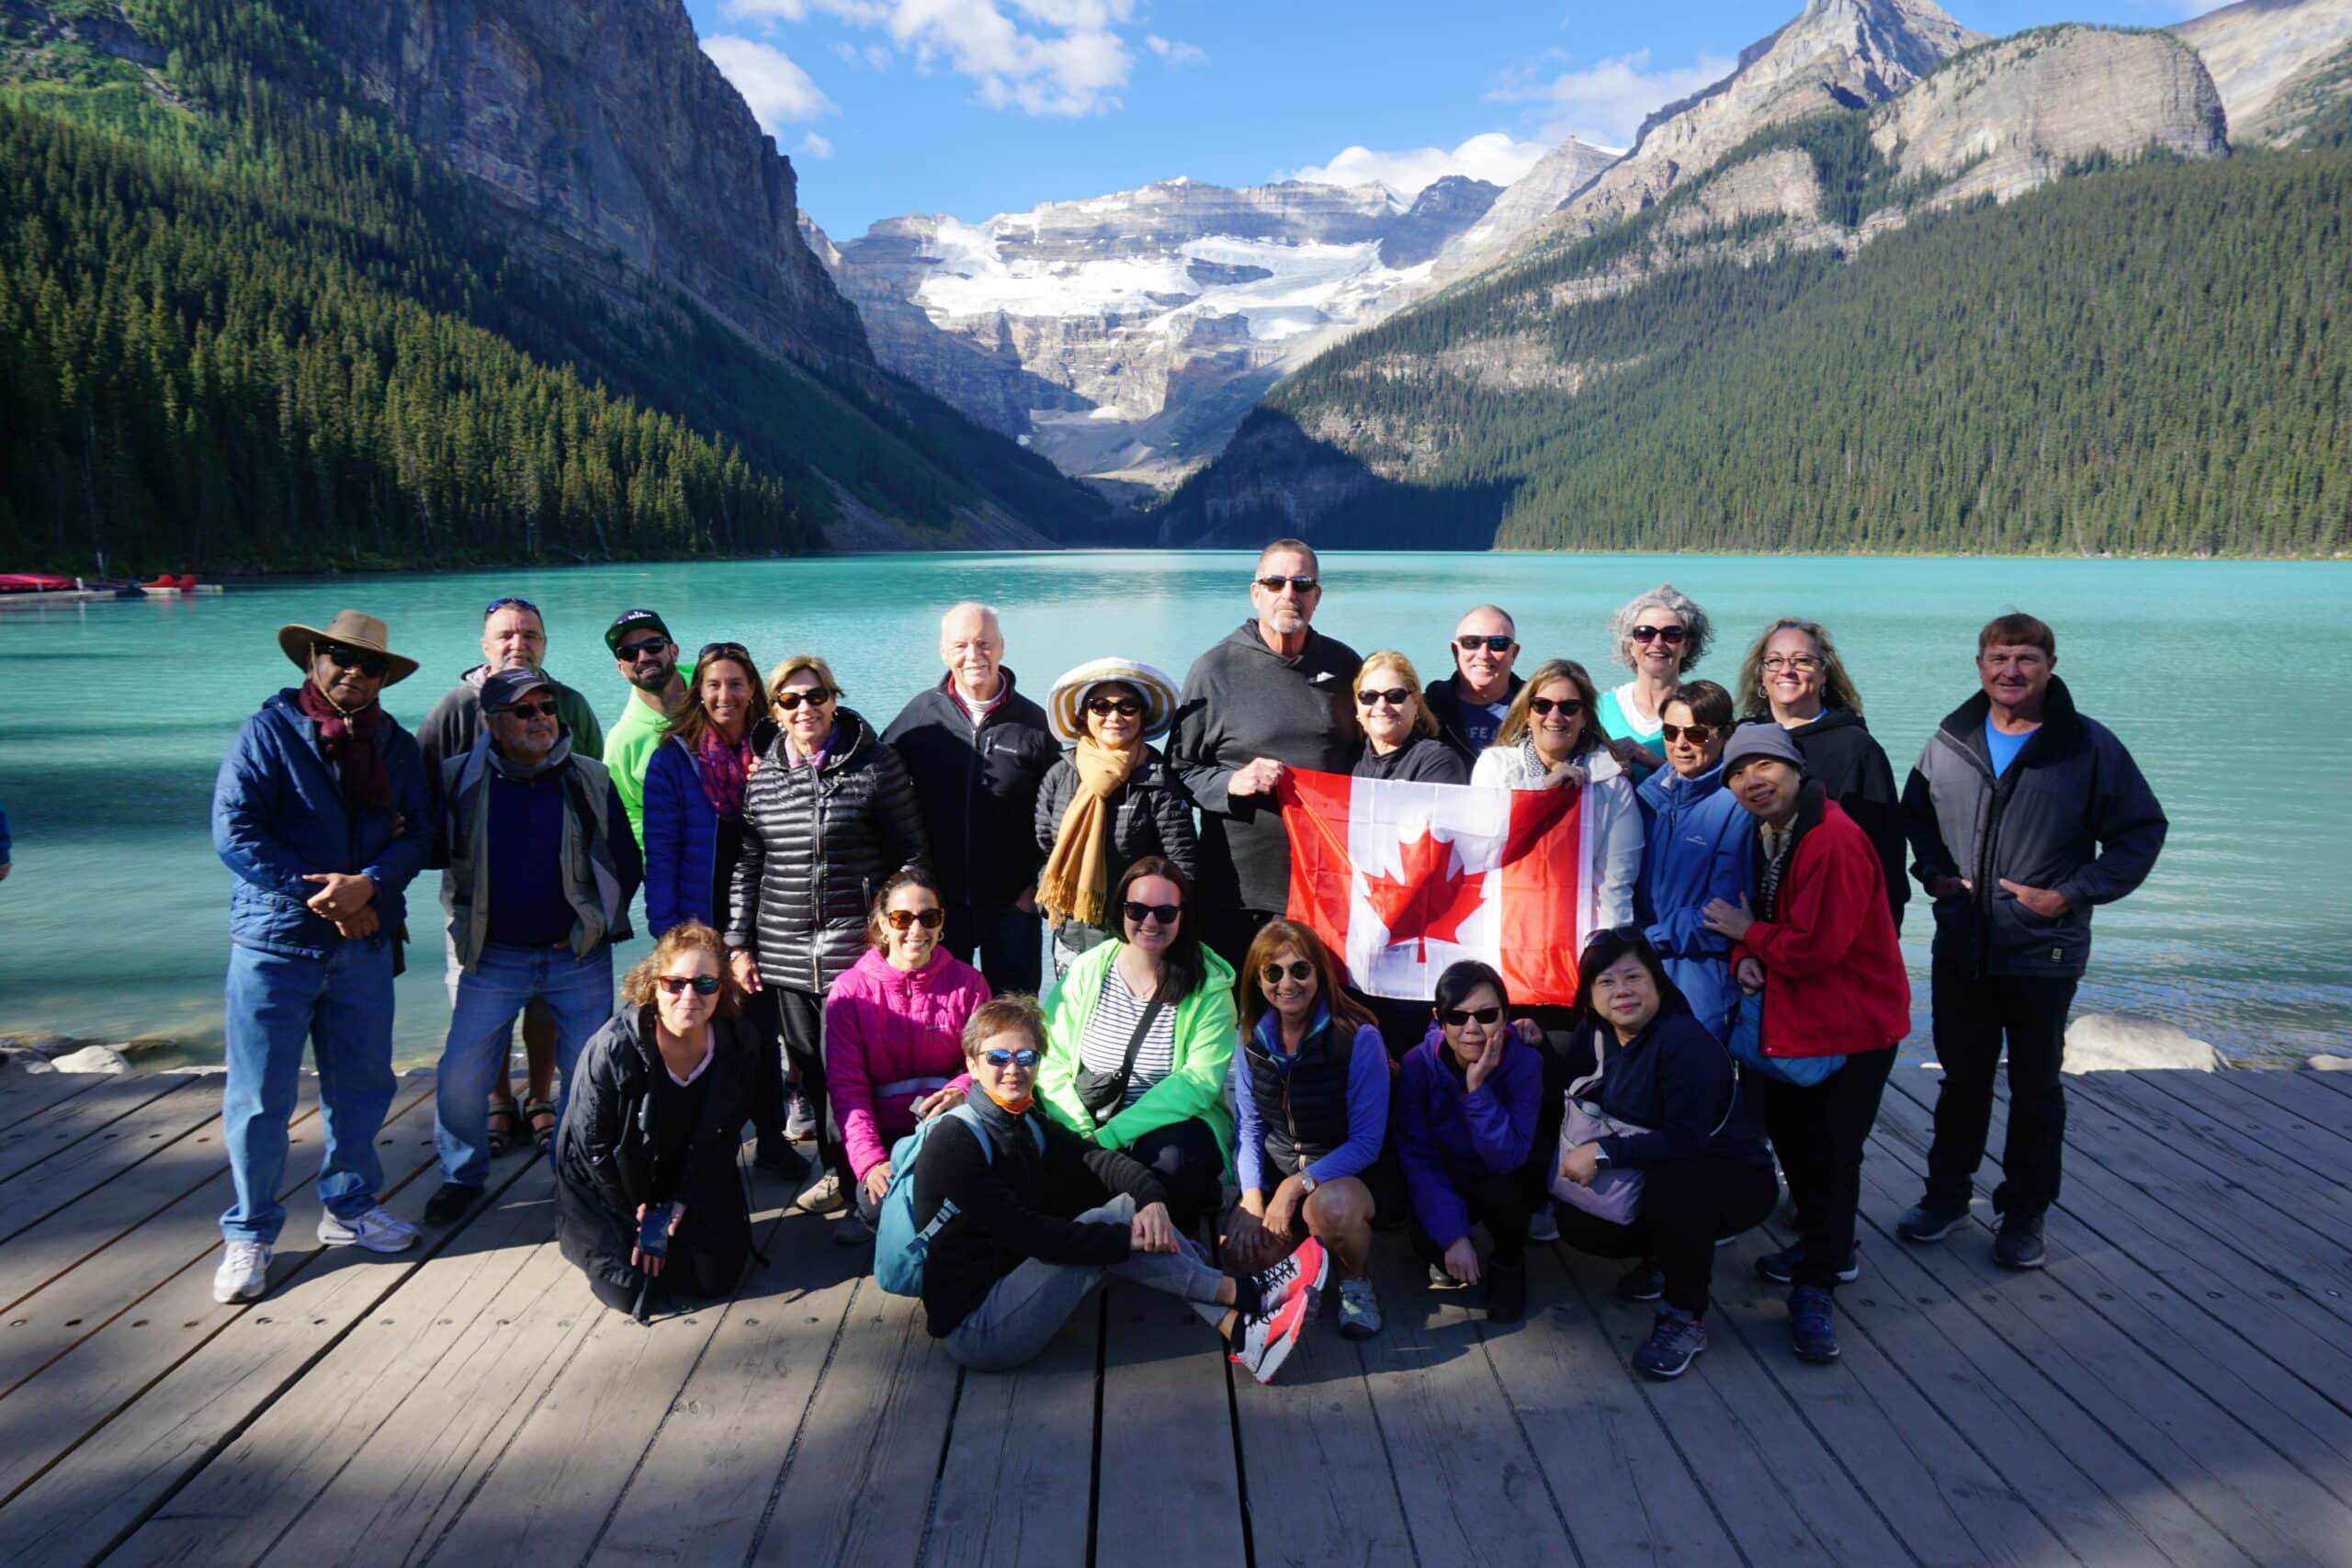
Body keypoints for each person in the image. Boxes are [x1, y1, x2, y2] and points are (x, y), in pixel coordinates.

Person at [1897, 613, 2167, 1269]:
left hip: (2042, 949)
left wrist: (2070, 893)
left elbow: (2141, 831)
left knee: (2037, 1087)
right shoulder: (1950, 740)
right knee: (1961, 1080)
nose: (2010, 670)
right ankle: (1946, 1196)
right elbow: (1917, 813)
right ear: (1980, 665)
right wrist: (1934, 875)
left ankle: (2024, 1213)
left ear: (2049, 664)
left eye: (2025, 657)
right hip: (1962, 942)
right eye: (1998, 657)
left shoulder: (2086, 746)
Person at [913, 997, 1329, 1383]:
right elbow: (1024, 1232)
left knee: (1127, 1206)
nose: (1013, 1069)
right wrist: (1124, 1237)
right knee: (1108, 1223)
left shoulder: (1026, 1121)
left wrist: (1151, 1204)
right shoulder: (955, 1141)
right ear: (972, 1063)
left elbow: (1101, 1160)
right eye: (997, 1058)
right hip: (979, 1327)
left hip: (1017, 1283)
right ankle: (1247, 1294)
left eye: (1026, 1056)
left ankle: (1243, 1331)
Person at [209, 610, 433, 1303]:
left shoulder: (394, 745)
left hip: (363, 940)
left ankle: (350, 1205)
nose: (353, 673)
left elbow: (423, 831)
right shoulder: (267, 733)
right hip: (274, 944)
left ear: (382, 678)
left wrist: (370, 883)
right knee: (259, 1099)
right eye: (340, 658)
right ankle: (249, 1231)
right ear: (313, 658)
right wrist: (323, 894)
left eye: (369, 666)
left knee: (363, 1087)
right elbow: (235, 833)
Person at [1701, 726, 1906, 1365]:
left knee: (1832, 1157)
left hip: (1854, 1025)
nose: (1750, 781)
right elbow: (1754, 920)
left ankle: (1820, 1281)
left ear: (1795, 766)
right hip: (1792, 1024)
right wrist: (1743, 954)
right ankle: (1821, 1245)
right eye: (1737, 773)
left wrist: (1748, 934)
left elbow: (1818, 947)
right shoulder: (1769, 833)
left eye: (1764, 764)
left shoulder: (1833, 839)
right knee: (1797, 1146)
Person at [425, 668, 642, 1225]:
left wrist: (596, 921)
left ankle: (574, 1176)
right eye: (524, 711)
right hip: (492, 957)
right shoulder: (457, 779)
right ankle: (462, 1173)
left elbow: (624, 858)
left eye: (547, 708)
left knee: (589, 1076)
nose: (541, 719)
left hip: (577, 956)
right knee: (460, 1075)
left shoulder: (591, 777)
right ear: (494, 724)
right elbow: (427, 847)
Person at [726, 654, 927, 1217]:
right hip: (786, 951)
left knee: (862, 1073)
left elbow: (911, 854)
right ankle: (840, 1174)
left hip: (856, 952)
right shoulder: (763, 776)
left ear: (835, 698)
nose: (805, 708)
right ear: (776, 711)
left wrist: (899, 930)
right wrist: (739, 945)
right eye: (790, 700)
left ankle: (875, 1178)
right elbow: (749, 865)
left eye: (816, 696)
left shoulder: (876, 764)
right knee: (811, 1074)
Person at [1544, 930, 1777, 1381]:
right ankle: (1661, 1259)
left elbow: (1686, 1141)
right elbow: (1564, 1082)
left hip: (1731, 1176)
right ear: (1589, 998)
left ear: (1658, 981)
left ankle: (1684, 1315)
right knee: (1578, 1223)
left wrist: (1605, 1153)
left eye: (1634, 976)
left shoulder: (1683, 1043)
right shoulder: (1597, 1031)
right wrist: (1529, 1045)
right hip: (1652, 1163)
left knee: (1679, 1183)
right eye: (1606, 982)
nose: (1622, 991)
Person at [419, 595, 605, 1160]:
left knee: (548, 1011)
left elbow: (594, 794)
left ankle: (542, 1098)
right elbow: (425, 793)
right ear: (485, 643)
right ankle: (498, 1102)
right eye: (505, 634)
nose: (517, 642)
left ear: (544, 642)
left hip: (561, 913)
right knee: (479, 1024)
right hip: (477, 905)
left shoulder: (568, 703)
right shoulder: (454, 708)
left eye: (529, 634)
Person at [1168, 539, 1363, 966]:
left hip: (1330, 885)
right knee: (1244, 1019)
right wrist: (1230, 782)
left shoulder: (1346, 666)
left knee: (1322, 1021)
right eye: (1275, 583)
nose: (1288, 594)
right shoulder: (1214, 669)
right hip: (1241, 891)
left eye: (1301, 583)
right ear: (1256, 593)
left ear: (1317, 596)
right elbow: (1178, 770)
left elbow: (1370, 758)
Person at [553, 923, 758, 1317]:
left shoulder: (738, 1041)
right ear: (653, 984)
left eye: (705, 984)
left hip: (690, 1175)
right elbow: (593, 1152)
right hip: (613, 1188)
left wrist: (685, 1200)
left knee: (713, 1280)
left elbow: (725, 1134)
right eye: (674, 983)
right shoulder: (613, 1049)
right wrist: (642, 1215)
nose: (689, 996)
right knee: (632, 1293)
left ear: (723, 988)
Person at [1034, 857, 1237, 1236]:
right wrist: (1081, 1134)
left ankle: (1172, 1252)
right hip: (1087, 1117)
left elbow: (1198, 1083)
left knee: (1171, 1165)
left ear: (1183, 915)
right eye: (1137, 909)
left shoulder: (1209, 988)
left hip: (1167, 1125)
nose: (1149, 922)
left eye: (1164, 912)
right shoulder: (1089, 968)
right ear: (1121, 910)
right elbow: (1052, 1057)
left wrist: (1109, 1138)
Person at [883, 604, 1061, 997]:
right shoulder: (919, 717)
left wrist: (1037, 886)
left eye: (983, 643)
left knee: (1016, 1017)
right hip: (938, 905)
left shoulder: (1036, 724)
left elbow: (1061, 814)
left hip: (1013, 906)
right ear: (944, 653)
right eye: (960, 645)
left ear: (1001, 647)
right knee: (940, 1018)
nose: (972, 655)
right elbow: (873, 781)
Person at [1226, 919, 1392, 1340]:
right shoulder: (1249, 1037)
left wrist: (1293, 1188)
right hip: (1283, 1172)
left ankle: (1355, 1281)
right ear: (1257, 978)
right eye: (1273, 972)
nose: (1287, 983)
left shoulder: (1357, 1038)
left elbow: (1368, 1143)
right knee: (1239, 1252)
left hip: (1348, 1176)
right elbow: (1249, 1127)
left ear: (1319, 974)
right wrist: (1252, 1200)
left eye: (1300, 970)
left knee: (1329, 1209)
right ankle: (1311, 1261)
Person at [827, 870, 990, 1243]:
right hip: (884, 1132)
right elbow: (847, 1087)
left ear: (942, 923)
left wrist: (962, 1089)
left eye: (929, 918)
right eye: (902, 918)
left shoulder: (968, 983)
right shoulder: (849, 990)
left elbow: (984, 1062)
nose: (916, 930)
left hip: (949, 1123)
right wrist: (870, 1161)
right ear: (882, 923)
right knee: (878, 1203)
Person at [1395, 961, 1544, 1324]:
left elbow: (1507, 1157)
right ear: (1439, 1018)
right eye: (1457, 1017)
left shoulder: (1525, 1063)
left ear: (1506, 1015)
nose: (1472, 1029)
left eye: (1486, 1014)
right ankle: (1454, 1247)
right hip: (1446, 1175)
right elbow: (1419, 1159)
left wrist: (1477, 1089)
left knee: (1509, 1190)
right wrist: (1453, 1236)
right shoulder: (1418, 1065)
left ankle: (1508, 1264)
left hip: (1500, 1176)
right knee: (1427, 1241)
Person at [1736, 617, 1906, 931]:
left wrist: (1880, 942)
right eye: (1774, 661)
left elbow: (1886, 858)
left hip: (1829, 929)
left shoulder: (1856, 749)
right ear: (1761, 674)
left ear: (1824, 673)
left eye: (1802, 661)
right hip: (1747, 932)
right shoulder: (1742, 740)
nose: (1786, 670)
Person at [1033, 659, 1199, 976]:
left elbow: (1183, 864)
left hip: (1135, 941)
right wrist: (1049, 903)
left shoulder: (1156, 780)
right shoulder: (1060, 774)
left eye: (1127, 706)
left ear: (1142, 715)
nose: (1114, 716)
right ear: (1084, 715)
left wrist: (1158, 926)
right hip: (1071, 937)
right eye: (1101, 706)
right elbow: (1045, 847)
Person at [1470, 658, 1645, 942]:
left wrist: (1604, 957)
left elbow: (1615, 886)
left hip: (1576, 939)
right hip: (1503, 935)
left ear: (1584, 717)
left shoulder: (1612, 786)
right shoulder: (1494, 766)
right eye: (1542, 705)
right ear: (1527, 713)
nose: (1555, 716)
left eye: (1569, 708)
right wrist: (1541, 790)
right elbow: (1484, 844)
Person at [1635, 680, 1749, 1042]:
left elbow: (1723, 910)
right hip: (1640, 972)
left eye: (1697, 734)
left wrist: (1649, 938)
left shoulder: (1737, 806)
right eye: (1670, 732)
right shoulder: (1647, 795)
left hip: (1700, 982)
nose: (1681, 744)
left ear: (1724, 735)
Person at [1595, 584, 1713, 776]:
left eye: (1672, 635)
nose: (1657, 643)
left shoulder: (1705, 711)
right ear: (1630, 645)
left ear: (1687, 647)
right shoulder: (1599, 709)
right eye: (1645, 633)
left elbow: (1714, 781)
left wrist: (1652, 761)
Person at [601, 608, 686, 850]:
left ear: (674, 650)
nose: (643, 657)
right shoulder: (622, 742)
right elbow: (630, 817)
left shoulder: (717, 693)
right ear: (621, 668)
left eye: (654, 646)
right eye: (629, 653)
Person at [1351, 650, 1468, 784]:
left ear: (1415, 701)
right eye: (1369, 697)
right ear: (1356, 704)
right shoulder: (1347, 759)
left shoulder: (1438, 761)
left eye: (1395, 696)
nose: (1381, 706)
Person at [1423, 606, 1523, 761]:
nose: (1484, 654)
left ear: (1514, 653)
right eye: (1471, 642)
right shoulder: (1427, 709)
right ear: (1455, 652)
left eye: (1498, 643)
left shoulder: (1539, 709)